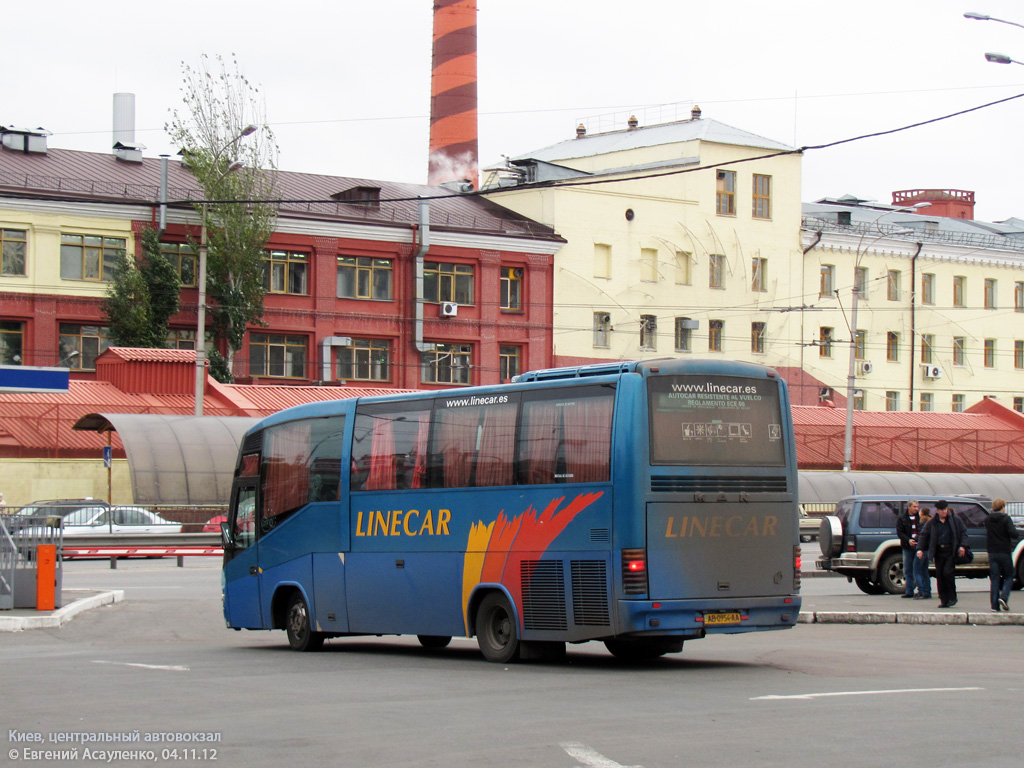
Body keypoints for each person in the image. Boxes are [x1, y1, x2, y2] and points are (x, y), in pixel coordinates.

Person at [917, 499, 968, 608]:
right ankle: (944, 600)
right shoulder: (932, 523)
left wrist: (962, 546)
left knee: (947, 573)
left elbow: (963, 533)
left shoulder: (954, 520)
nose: (944, 512)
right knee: (940, 575)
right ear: (937, 511)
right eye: (942, 510)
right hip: (938, 551)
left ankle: (952, 597)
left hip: (950, 551)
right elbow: (924, 535)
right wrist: (920, 549)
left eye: (945, 509)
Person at [986, 498, 1020, 612]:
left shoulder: (988, 519)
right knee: (1010, 575)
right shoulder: (1006, 518)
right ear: (1002, 507)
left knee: (995, 578)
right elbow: (1013, 534)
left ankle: (994, 606)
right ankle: (1004, 597)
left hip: (992, 552)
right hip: (1004, 551)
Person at [896, 500, 922, 598]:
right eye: (914, 507)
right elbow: (900, 532)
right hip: (907, 547)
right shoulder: (902, 518)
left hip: (918, 546)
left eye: (917, 507)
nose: (916, 509)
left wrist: (916, 539)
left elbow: (923, 530)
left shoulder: (920, 518)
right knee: (908, 569)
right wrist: (908, 540)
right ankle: (909, 591)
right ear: (909, 507)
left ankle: (921, 590)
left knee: (918, 569)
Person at [913, 506, 933, 599]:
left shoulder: (923, 522)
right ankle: (927, 591)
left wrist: (914, 540)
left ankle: (921, 591)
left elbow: (921, 535)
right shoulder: (932, 522)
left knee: (917, 570)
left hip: (922, 549)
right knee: (925, 571)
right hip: (928, 549)